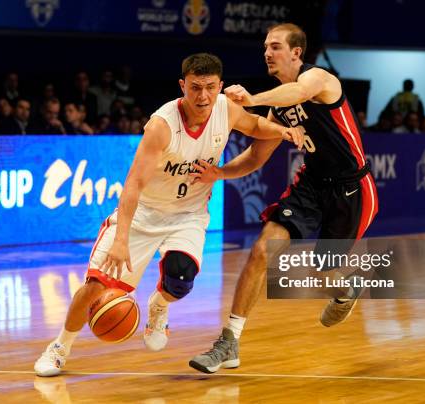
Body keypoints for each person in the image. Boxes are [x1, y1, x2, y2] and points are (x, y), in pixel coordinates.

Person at [33, 53, 304, 377]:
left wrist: (281, 130)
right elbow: (133, 183)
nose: (202, 96)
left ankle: (158, 307)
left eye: (209, 88)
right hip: (144, 213)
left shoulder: (226, 109)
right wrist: (121, 239)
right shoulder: (162, 125)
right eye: (194, 88)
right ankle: (60, 347)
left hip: (188, 214)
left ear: (220, 86)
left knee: (180, 277)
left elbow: (255, 125)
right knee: (96, 285)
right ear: (182, 85)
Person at [188, 23, 378, 374]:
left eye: (275, 46)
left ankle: (345, 287)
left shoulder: (319, 79)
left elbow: (297, 92)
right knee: (262, 249)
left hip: (352, 189)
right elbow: (256, 158)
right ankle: (229, 342)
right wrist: (220, 173)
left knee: (322, 273)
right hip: (311, 184)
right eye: (265, 47)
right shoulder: (279, 108)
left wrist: (253, 99)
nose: (267, 52)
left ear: (296, 53)